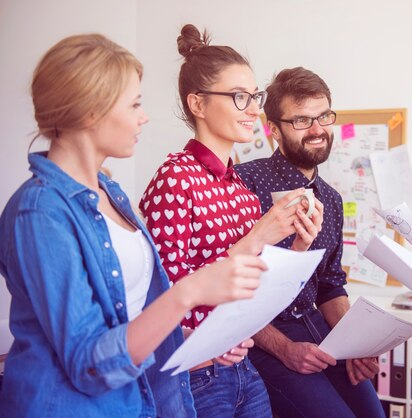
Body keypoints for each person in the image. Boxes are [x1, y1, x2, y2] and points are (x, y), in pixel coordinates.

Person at [0, 33, 266, 417]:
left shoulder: (111, 192)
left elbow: (126, 323)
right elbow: (90, 364)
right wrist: (189, 292)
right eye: (135, 104)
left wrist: (197, 342)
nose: (144, 116)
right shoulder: (39, 212)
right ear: (92, 110)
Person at [140, 25, 321, 418]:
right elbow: (165, 292)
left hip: (241, 365)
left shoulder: (237, 184)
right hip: (195, 374)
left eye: (254, 97)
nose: (255, 109)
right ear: (198, 104)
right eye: (240, 97)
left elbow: (254, 286)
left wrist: (300, 246)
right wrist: (258, 236)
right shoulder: (175, 177)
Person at [235, 67, 385, 418]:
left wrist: (356, 345)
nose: (318, 130)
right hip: (262, 335)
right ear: (273, 129)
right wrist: (285, 348)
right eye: (302, 120)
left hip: (316, 325)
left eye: (323, 117)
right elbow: (234, 290)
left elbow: (330, 287)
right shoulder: (245, 183)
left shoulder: (330, 199)